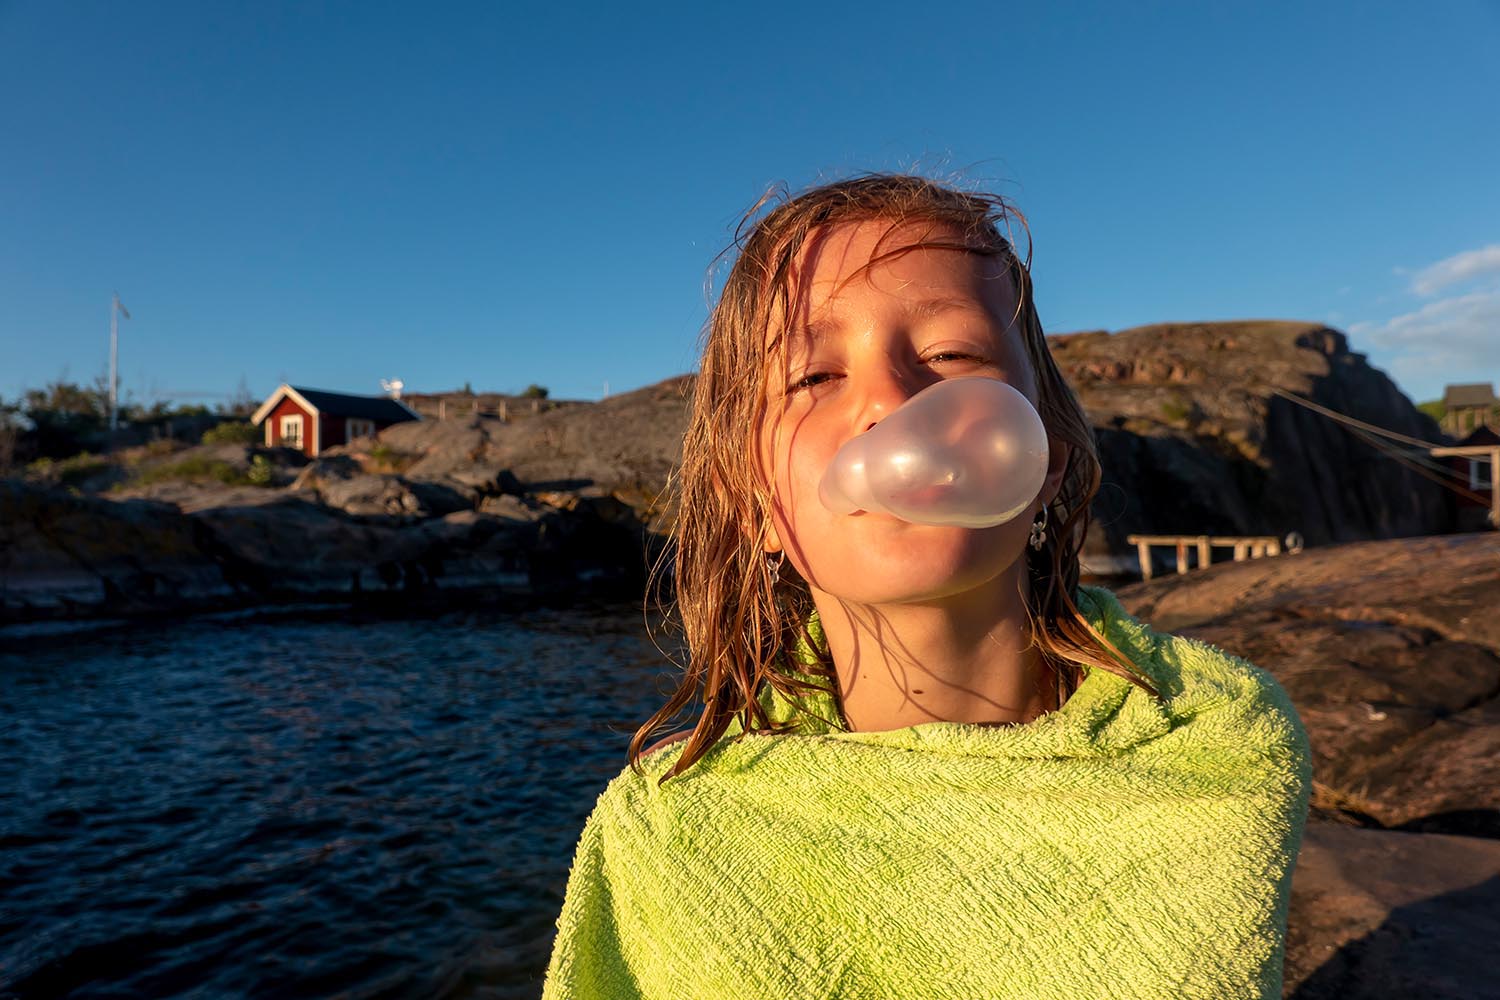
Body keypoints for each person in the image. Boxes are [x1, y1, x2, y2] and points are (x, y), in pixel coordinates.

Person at [541, 174, 1311, 999]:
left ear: (1046, 460)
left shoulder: (1217, 748)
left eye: (951, 356)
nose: (890, 404)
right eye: (812, 377)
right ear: (756, 501)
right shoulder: (671, 831)